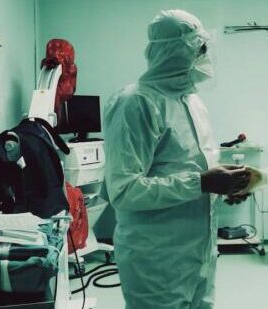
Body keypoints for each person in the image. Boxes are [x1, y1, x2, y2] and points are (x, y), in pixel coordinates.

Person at [103, 9, 250, 309]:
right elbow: (124, 190)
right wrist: (203, 183)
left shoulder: (192, 102)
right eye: (198, 48)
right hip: (156, 261)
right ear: (174, 51)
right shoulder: (136, 103)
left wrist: (226, 187)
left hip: (200, 254)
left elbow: (196, 171)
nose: (205, 56)